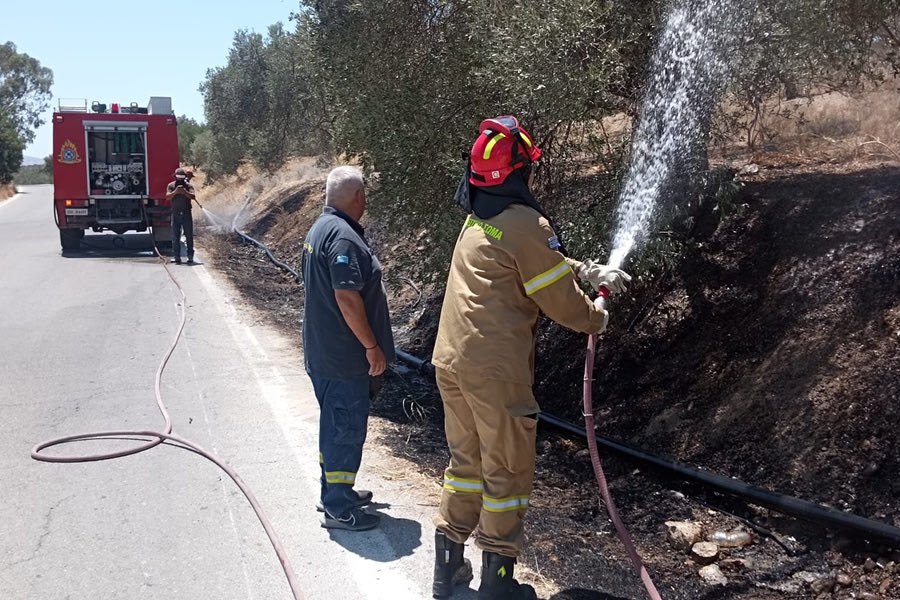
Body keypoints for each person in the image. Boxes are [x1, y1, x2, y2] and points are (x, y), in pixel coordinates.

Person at [431, 116, 631, 600]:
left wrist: (584, 268)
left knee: (466, 465)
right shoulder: (526, 223)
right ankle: (497, 587)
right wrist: (598, 313)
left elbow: (534, 260)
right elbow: (565, 306)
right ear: (519, 172)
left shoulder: (481, 219)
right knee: (506, 472)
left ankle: (447, 571)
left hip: (451, 362)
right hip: (494, 371)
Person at [301, 165, 396, 532]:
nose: (366, 200)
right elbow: (346, 296)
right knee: (344, 428)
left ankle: (336, 490)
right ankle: (339, 508)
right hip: (343, 357)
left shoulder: (321, 227)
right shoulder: (342, 237)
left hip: (324, 350)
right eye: (365, 194)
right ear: (358, 197)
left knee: (334, 425)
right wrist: (372, 346)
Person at [165, 167, 201, 264]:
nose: (180, 180)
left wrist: (185, 192)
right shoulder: (171, 186)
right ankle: (177, 257)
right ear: (175, 178)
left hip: (186, 213)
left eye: (182, 178)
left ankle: (190, 256)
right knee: (175, 236)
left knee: (189, 235)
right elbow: (167, 197)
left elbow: (193, 196)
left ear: (185, 177)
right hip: (175, 214)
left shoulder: (189, 186)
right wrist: (175, 192)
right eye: (178, 178)